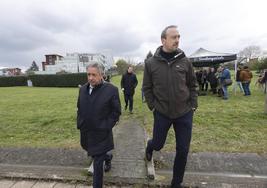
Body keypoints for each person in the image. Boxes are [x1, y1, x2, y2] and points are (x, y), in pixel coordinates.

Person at [142, 25, 198, 188]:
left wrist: (193, 105)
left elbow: (193, 85)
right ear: (163, 40)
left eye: (179, 37)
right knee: (158, 144)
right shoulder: (151, 63)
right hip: (162, 113)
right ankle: (149, 147)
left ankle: (176, 183)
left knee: (183, 150)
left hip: (184, 113)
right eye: (174, 37)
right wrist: (153, 106)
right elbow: (147, 88)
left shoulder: (185, 61)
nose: (177, 40)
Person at [77, 63, 121, 188]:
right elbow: (79, 108)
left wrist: (106, 126)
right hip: (86, 132)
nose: (90, 78)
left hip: (102, 134)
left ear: (101, 75)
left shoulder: (111, 90)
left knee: (97, 164)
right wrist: (80, 123)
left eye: (94, 75)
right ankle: (108, 157)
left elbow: (116, 112)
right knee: (92, 152)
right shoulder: (82, 90)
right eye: (88, 74)